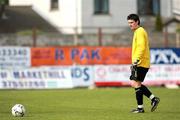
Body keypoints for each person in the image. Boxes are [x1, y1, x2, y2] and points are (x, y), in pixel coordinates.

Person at [127, 14, 160, 113]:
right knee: (135, 83)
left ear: (137, 22)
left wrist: (136, 60)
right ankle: (153, 99)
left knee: (136, 83)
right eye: (129, 23)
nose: (130, 25)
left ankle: (140, 108)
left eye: (132, 22)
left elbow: (141, 47)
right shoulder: (138, 31)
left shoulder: (140, 31)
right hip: (140, 62)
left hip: (141, 62)